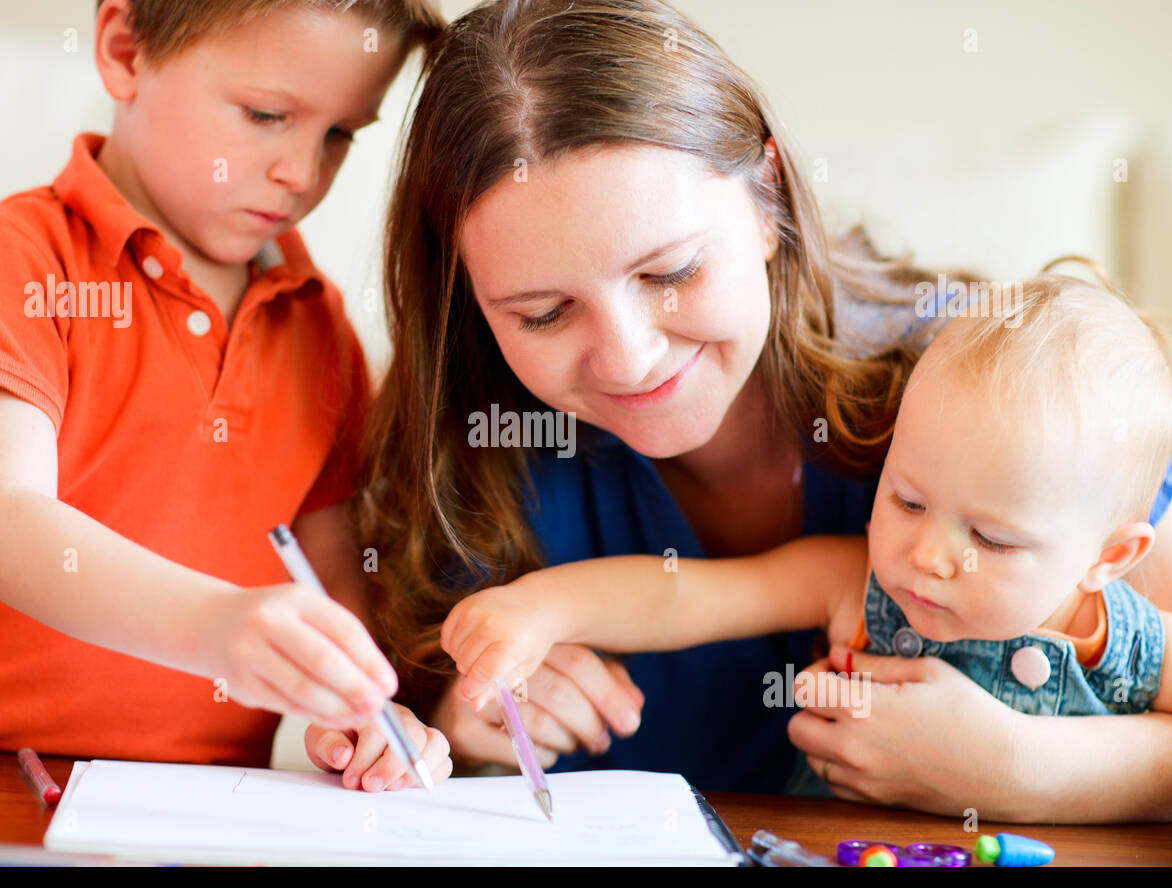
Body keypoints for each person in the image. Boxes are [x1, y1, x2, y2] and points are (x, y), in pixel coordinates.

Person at [348, 0, 1172, 820]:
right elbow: (405, 742)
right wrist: (457, 729)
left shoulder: (991, 403)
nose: (630, 358)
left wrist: (1020, 768)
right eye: (543, 313)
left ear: (767, 196)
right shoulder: (473, 458)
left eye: (670, 272)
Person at [0, 0, 450, 793]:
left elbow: (337, 598)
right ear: (124, 51)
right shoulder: (16, 257)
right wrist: (213, 628)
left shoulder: (322, 331)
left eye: (340, 134)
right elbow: (6, 523)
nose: (303, 172)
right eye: (266, 114)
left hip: (196, 807)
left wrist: (363, 708)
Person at [440, 273, 1172, 784]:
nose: (927, 555)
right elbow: (683, 597)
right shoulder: (854, 585)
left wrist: (1026, 770)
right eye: (909, 502)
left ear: (1110, 558)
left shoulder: (1132, 646)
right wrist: (536, 608)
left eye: (993, 540)